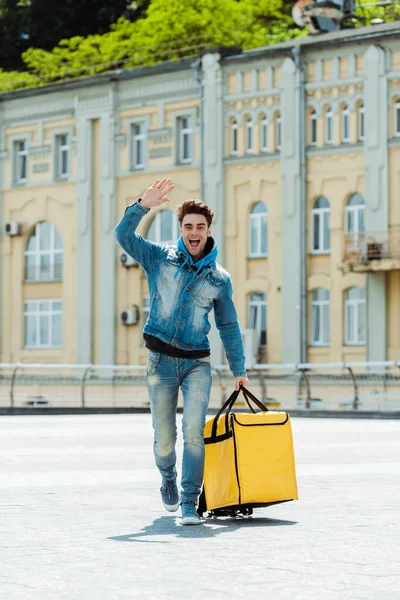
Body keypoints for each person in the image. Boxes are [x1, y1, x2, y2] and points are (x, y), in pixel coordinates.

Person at [114, 177, 249, 525]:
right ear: (181, 229)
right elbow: (124, 237)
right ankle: (168, 478)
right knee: (164, 441)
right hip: (160, 363)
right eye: (188, 226)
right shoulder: (159, 258)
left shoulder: (219, 279)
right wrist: (142, 206)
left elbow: (229, 326)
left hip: (196, 365)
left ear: (207, 231)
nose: (194, 232)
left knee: (193, 432)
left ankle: (190, 502)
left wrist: (239, 369)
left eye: (200, 227)